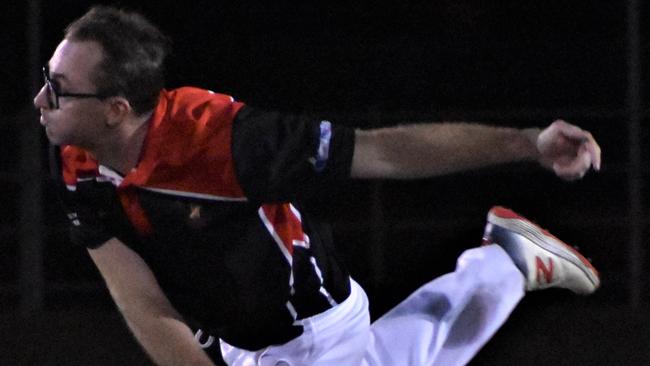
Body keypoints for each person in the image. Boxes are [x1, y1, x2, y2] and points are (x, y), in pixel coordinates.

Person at [34, 6, 601, 366]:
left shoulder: (228, 139)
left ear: (115, 109)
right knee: (416, 353)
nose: (41, 101)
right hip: (238, 344)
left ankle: (505, 265)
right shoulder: (78, 165)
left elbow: (385, 151)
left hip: (313, 330)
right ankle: (507, 262)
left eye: (58, 90)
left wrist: (527, 142)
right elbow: (141, 301)